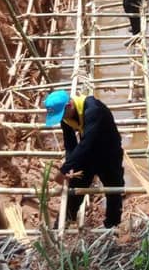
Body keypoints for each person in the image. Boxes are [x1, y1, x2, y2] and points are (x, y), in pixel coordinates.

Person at [45, 90, 124, 228]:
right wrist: (70, 169)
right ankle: (61, 226)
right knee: (74, 191)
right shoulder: (66, 117)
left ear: (69, 105)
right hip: (87, 155)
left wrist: (63, 170)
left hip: (109, 153)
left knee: (113, 190)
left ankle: (112, 227)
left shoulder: (94, 110)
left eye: (61, 114)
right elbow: (70, 144)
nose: (61, 118)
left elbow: (87, 142)